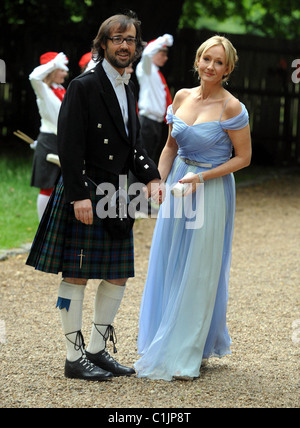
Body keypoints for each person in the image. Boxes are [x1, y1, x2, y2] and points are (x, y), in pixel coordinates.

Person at [26, 11, 161, 382]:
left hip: (118, 191)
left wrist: (152, 175)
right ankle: (74, 356)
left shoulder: (128, 86)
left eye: (130, 39)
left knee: (117, 275)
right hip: (88, 190)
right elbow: (69, 146)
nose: (124, 45)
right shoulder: (84, 85)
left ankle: (98, 350)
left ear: (136, 46)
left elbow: (134, 142)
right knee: (77, 275)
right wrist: (77, 196)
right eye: (117, 39)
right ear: (103, 44)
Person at [134, 35, 252, 381]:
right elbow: (170, 146)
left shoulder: (232, 107)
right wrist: (158, 180)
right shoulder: (182, 97)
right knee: (171, 258)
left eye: (219, 62)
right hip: (179, 185)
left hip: (211, 188)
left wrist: (202, 178)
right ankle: (163, 334)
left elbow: (244, 158)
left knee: (199, 267)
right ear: (197, 61)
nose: (211, 67)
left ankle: (188, 351)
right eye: (206, 59)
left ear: (227, 68)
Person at [29, 52, 69, 220]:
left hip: (62, 141)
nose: (65, 73)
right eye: (61, 70)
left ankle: (55, 224)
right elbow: (34, 77)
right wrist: (53, 63)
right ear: (52, 71)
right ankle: (42, 225)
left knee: (62, 186)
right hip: (49, 141)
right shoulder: (43, 89)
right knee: (47, 186)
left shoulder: (62, 90)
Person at [136, 34, 173, 165]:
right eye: (162, 54)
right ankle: (137, 185)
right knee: (142, 159)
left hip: (156, 122)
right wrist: (162, 40)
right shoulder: (146, 69)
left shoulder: (156, 73)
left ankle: (144, 185)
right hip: (147, 121)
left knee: (150, 158)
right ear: (154, 53)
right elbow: (146, 54)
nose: (166, 58)